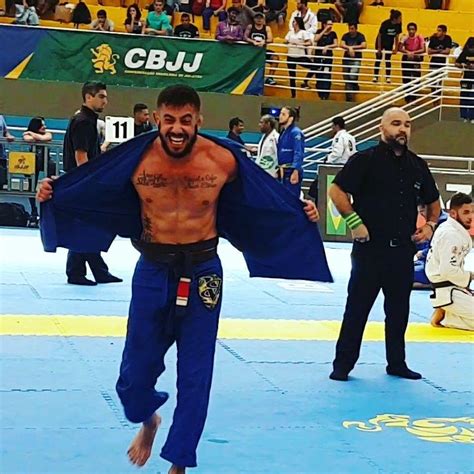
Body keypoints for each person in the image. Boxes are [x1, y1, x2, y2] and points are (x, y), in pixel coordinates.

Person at [36, 84, 331, 474]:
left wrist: (301, 209)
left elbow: (264, 198)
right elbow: (91, 188)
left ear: (199, 121)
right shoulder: (135, 159)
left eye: (186, 121)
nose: (177, 129)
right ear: (158, 119)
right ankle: (148, 419)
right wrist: (52, 193)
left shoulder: (222, 160)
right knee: (133, 376)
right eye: (170, 120)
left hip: (204, 270)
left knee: (196, 373)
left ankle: (179, 462)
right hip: (153, 268)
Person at [328, 107, 441, 382]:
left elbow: (433, 202)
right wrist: (354, 221)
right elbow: (336, 190)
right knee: (357, 309)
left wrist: (429, 226)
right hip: (370, 250)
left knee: (399, 312)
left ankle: (397, 363)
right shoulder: (364, 160)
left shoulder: (417, 165)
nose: (402, 129)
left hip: (402, 251)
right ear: (382, 128)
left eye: (407, 124)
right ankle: (343, 365)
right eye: (396, 123)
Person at [62, 81, 122, 286]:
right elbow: (81, 155)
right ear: (89, 97)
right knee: (85, 227)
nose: (105, 101)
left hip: (80, 179)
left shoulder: (84, 119)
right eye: (101, 96)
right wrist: (88, 184)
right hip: (82, 181)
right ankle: (78, 272)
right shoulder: (84, 122)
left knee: (86, 227)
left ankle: (95, 270)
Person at [426, 192, 473, 331]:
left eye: (472, 212)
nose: (470, 216)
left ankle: (449, 314)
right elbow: (447, 271)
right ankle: (446, 317)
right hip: (447, 292)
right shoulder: (450, 234)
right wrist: (469, 276)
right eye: (466, 212)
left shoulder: (453, 229)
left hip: (454, 288)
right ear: (453, 213)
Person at [23, 117, 54, 224]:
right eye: (42, 125)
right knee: (31, 187)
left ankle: (48, 209)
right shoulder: (28, 134)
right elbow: (28, 139)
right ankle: (34, 210)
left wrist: (33, 134)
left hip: (46, 161)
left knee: (51, 185)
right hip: (33, 162)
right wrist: (38, 137)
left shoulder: (46, 133)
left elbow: (47, 137)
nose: (45, 127)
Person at [303, 20, 338, 100]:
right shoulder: (319, 31)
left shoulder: (333, 34)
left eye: (331, 24)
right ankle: (320, 94)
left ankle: (325, 95)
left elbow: (336, 44)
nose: (330, 26)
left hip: (327, 58)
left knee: (326, 76)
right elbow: (316, 39)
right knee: (318, 76)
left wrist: (327, 46)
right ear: (324, 24)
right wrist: (324, 30)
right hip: (318, 57)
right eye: (328, 24)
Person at [277, 106, 304, 196]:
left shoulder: (296, 132)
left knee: (291, 198)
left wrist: (295, 171)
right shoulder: (283, 133)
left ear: (291, 118)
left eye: (283, 114)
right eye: (280, 114)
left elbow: (298, 152)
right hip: (283, 171)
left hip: (291, 171)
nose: (280, 116)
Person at [244, 12, 277, 85]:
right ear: (254, 19)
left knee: (275, 58)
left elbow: (271, 39)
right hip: (251, 51)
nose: (259, 19)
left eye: (260, 18)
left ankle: (270, 78)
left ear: (263, 19)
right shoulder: (250, 26)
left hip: (262, 51)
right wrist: (252, 41)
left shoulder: (267, 28)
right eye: (257, 18)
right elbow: (245, 37)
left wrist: (264, 41)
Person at [284, 17, 312, 99]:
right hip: (290, 56)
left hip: (300, 56)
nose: (293, 23)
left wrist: (300, 44)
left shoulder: (303, 32)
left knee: (314, 66)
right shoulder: (290, 32)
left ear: (298, 23)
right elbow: (285, 40)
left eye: (294, 22)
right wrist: (288, 42)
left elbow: (309, 42)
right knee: (292, 77)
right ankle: (293, 95)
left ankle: (305, 80)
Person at [399, 22, 426, 103]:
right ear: (407, 30)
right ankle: (407, 97)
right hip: (406, 59)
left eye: (413, 29)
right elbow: (400, 48)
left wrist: (413, 53)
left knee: (416, 79)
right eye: (410, 29)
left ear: (416, 30)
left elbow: (423, 49)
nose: (411, 31)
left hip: (416, 59)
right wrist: (407, 52)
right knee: (406, 78)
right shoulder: (405, 37)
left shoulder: (419, 37)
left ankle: (414, 97)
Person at [373, 9, 402, 84]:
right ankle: (375, 76)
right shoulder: (385, 23)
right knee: (378, 58)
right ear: (395, 18)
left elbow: (397, 36)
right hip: (381, 41)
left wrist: (396, 48)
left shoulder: (399, 25)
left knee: (388, 59)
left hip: (389, 42)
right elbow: (379, 35)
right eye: (400, 18)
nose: (401, 19)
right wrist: (379, 48)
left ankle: (388, 77)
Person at [340, 23, 367, 102]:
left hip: (356, 59)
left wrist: (352, 48)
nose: (350, 30)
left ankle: (354, 87)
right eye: (349, 29)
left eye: (352, 29)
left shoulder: (360, 36)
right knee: (346, 78)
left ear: (356, 29)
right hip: (346, 59)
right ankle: (349, 97)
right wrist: (349, 48)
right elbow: (341, 44)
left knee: (352, 76)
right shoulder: (345, 35)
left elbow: (364, 45)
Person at [455, 37, 474, 123]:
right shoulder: (464, 53)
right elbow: (456, 63)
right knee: (464, 97)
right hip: (466, 78)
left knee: (472, 98)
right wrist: (463, 65)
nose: (471, 49)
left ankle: (472, 117)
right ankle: (464, 116)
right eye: (470, 47)